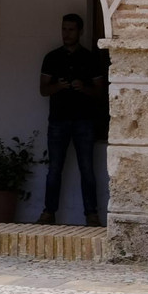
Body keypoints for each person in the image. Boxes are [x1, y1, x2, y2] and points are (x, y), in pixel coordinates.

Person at [36, 13, 105, 227]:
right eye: (64, 29)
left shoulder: (91, 58)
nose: (66, 34)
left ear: (80, 31)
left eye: (71, 30)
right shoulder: (52, 57)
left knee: (87, 169)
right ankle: (48, 213)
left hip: (84, 120)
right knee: (54, 169)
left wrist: (82, 87)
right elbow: (43, 90)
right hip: (58, 120)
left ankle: (91, 215)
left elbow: (99, 91)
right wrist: (60, 86)